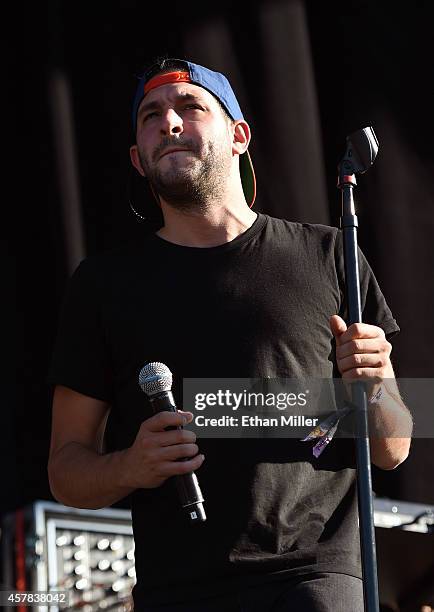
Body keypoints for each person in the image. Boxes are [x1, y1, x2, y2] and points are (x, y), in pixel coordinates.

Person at [48, 58, 413, 611]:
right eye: (151, 116)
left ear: (239, 135)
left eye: (189, 107)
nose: (168, 123)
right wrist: (131, 465)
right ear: (137, 160)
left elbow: (394, 448)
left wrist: (377, 381)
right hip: (179, 590)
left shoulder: (331, 253)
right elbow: (65, 472)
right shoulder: (104, 285)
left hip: (316, 577)